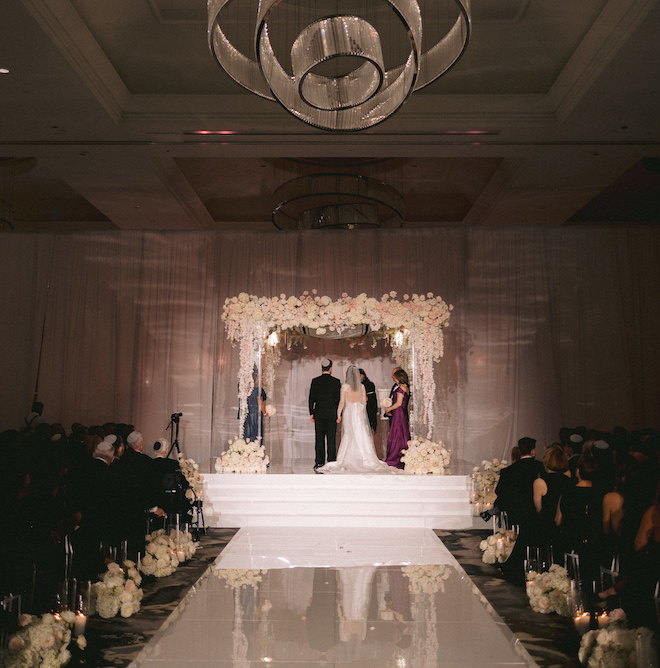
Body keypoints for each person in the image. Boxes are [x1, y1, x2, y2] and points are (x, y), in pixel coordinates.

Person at [317, 366, 398, 474]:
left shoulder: (344, 387)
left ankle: (347, 458)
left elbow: (342, 402)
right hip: (358, 412)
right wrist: (361, 411)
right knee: (361, 434)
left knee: (348, 435)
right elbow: (364, 402)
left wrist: (338, 415)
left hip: (348, 412)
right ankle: (365, 458)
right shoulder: (362, 387)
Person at [309, 358, 342, 472]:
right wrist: (339, 414)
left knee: (319, 439)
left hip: (319, 414)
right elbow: (339, 400)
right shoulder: (336, 382)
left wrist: (311, 413)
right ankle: (331, 461)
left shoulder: (315, 381)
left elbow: (311, 399)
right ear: (331, 368)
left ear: (321, 368)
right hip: (332, 414)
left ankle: (319, 462)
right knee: (331, 439)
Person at [384, 369, 410, 469]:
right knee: (402, 433)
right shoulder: (406, 387)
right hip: (401, 413)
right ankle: (403, 455)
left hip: (399, 414)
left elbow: (398, 403)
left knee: (397, 434)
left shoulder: (400, 389)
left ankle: (396, 456)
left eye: (394, 377)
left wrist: (388, 409)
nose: (393, 378)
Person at [244, 372, 267, 443]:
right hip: (257, 415)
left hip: (249, 414)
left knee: (249, 433)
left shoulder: (247, 390)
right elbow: (260, 402)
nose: (261, 379)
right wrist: (265, 413)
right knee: (257, 434)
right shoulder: (258, 390)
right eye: (260, 377)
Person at [359, 368, 378, 433]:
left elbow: (372, 398)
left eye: (360, 376)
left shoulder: (369, 384)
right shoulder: (356, 385)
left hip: (369, 405)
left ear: (363, 375)